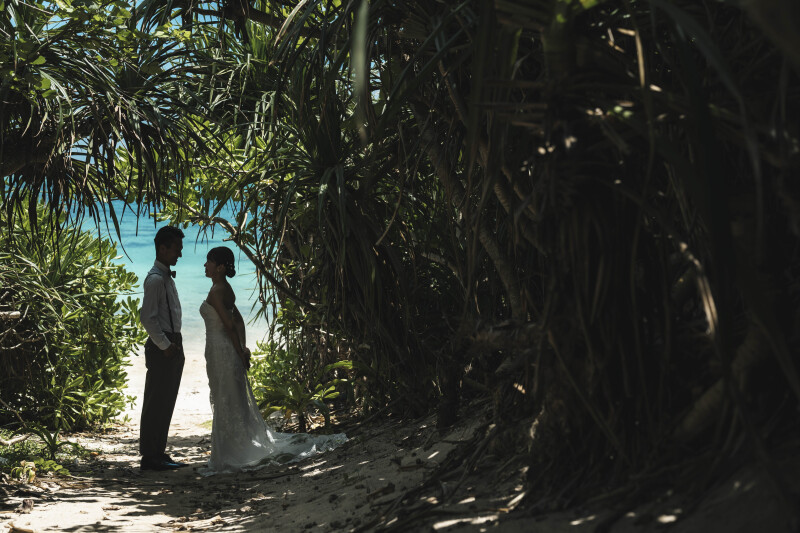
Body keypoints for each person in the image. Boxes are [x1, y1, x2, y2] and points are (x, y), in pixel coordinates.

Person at [200, 246, 346, 475]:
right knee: (229, 398)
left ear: (219, 267)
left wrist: (240, 351)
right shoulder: (225, 289)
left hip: (221, 351)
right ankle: (232, 447)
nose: (205, 266)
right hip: (224, 350)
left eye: (208, 262)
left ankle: (232, 453)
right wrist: (243, 348)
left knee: (226, 398)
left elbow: (229, 325)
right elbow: (238, 321)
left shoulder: (217, 291)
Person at [138, 226, 188, 471]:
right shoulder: (156, 279)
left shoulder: (165, 276)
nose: (179, 254)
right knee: (156, 400)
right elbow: (148, 318)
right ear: (163, 249)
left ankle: (158, 451)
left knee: (167, 399)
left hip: (172, 342)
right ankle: (150, 456)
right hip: (163, 345)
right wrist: (166, 345)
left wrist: (174, 343)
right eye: (176, 249)